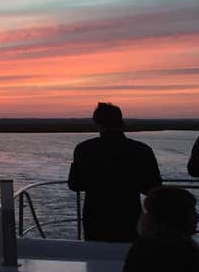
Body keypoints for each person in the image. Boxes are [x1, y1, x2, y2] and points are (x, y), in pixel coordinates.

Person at [68, 102, 161, 242]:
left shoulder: (84, 149)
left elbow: (75, 184)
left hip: (96, 218)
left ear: (96, 123)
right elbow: (153, 187)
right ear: (121, 122)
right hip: (130, 216)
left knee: (96, 259)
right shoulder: (141, 149)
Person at [108, 186, 199, 272]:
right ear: (178, 216)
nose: (198, 216)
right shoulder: (180, 252)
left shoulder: (143, 246)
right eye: (192, 211)